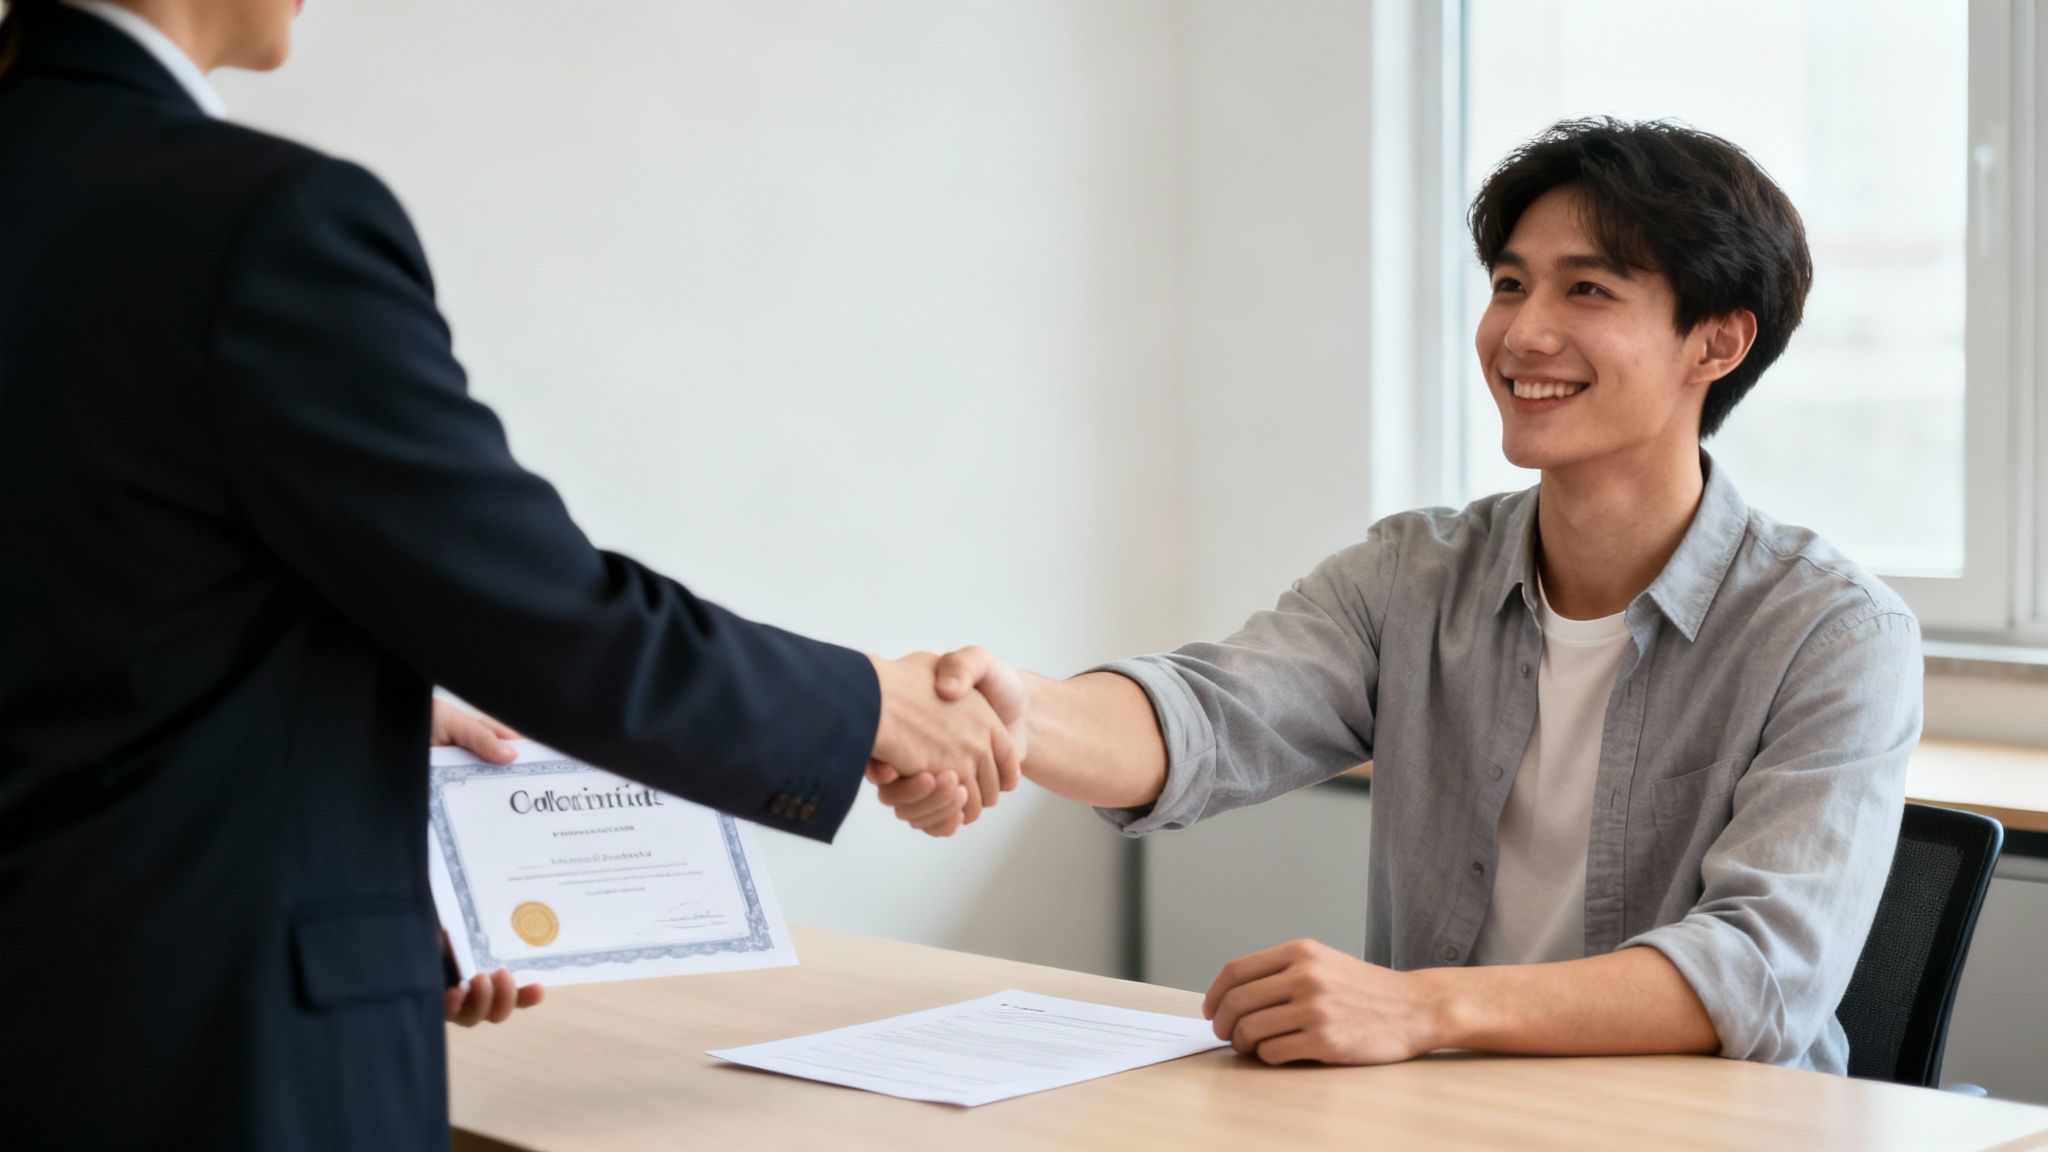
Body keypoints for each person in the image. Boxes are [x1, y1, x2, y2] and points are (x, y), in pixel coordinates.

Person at [0, 2, 1017, 1148]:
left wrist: (357, 742)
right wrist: (867, 707)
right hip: (199, 1054)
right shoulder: (254, 218)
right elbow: (540, 614)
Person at [879, 118, 1922, 1074]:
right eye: (1509, 285)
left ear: (1716, 342)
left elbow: (1758, 973)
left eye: (1585, 291)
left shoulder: (1831, 634)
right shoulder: (1413, 573)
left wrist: (1417, 1010)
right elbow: (1206, 716)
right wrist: (1005, 711)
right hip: (1431, 1116)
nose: (1520, 335)